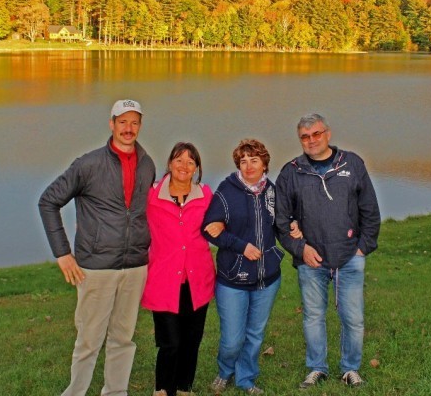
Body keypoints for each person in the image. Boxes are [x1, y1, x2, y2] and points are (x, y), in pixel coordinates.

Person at [38, 99, 156, 396]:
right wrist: (63, 253)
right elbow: (48, 201)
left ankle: (116, 392)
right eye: (122, 122)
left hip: (135, 265)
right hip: (96, 267)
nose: (128, 129)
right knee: (89, 340)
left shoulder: (147, 164)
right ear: (111, 124)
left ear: (140, 125)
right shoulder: (88, 165)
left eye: (134, 122)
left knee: (123, 338)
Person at [275, 113, 381, 389]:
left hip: (349, 257)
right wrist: (300, 249)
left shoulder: (352, 163)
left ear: (328, 134)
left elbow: (370, 210)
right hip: (311, 260)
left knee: (354, 318)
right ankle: (316, 368)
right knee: (313, 316)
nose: (311, 140)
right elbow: (281, 221)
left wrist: (362, 248)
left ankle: (350, 369)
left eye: (316, 134)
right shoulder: (291, 171)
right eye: (305, 136)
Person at [201, 139, 284, 395]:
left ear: (264, 164)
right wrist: (240, 246)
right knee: (232, 339)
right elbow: (209, 230)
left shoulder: (272, 191)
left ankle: (246, 378)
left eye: (254, 160)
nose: (248, 166)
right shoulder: (226, 191)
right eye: (243, 161)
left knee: (255, 334)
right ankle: (225, 370)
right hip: (232, 278)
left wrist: (294, 228)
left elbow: (280, 224)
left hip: (267, 278)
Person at [141, 142, 215, 396]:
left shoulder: (205, 196)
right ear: (170, 163)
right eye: (179, 160)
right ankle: (162, 389)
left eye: (190, 162)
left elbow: (224, 222)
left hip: (198, 279)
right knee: (170, 342)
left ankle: (184, 389)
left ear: (197, 168)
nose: (184, 166)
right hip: (163, 280)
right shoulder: (151, 196)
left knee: (191, 341)